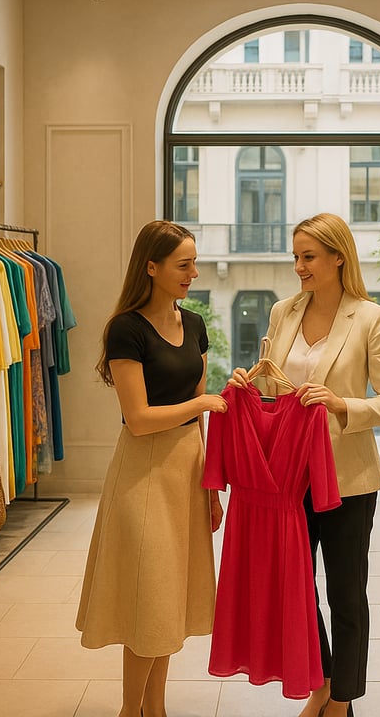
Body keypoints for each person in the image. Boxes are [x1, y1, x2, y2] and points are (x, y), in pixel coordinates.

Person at [228, 213, 380, 717]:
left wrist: (343, 404)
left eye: (308, 257)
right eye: (296, 256)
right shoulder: (283, 312)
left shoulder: (371, 317)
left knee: (346, 593)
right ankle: (324, 682)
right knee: (297, 590)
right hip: (286, 479)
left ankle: (343, 699)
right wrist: (251, 385)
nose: (299, 266)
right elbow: (275, 388)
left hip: (347, 479)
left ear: (337, 258)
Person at [76, 220, 227, 717]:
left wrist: (211, 486)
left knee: (168, 599)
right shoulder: (126, 328)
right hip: (143, 470)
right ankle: (130, 710)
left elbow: (195, 413)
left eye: (193, 263)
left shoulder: (195, 324)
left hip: (186, 466)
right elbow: (138, 419)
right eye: (184, 265)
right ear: (152, 267)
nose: (194, 273)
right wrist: (203, 403)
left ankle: (155, 708)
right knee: (148, 595)